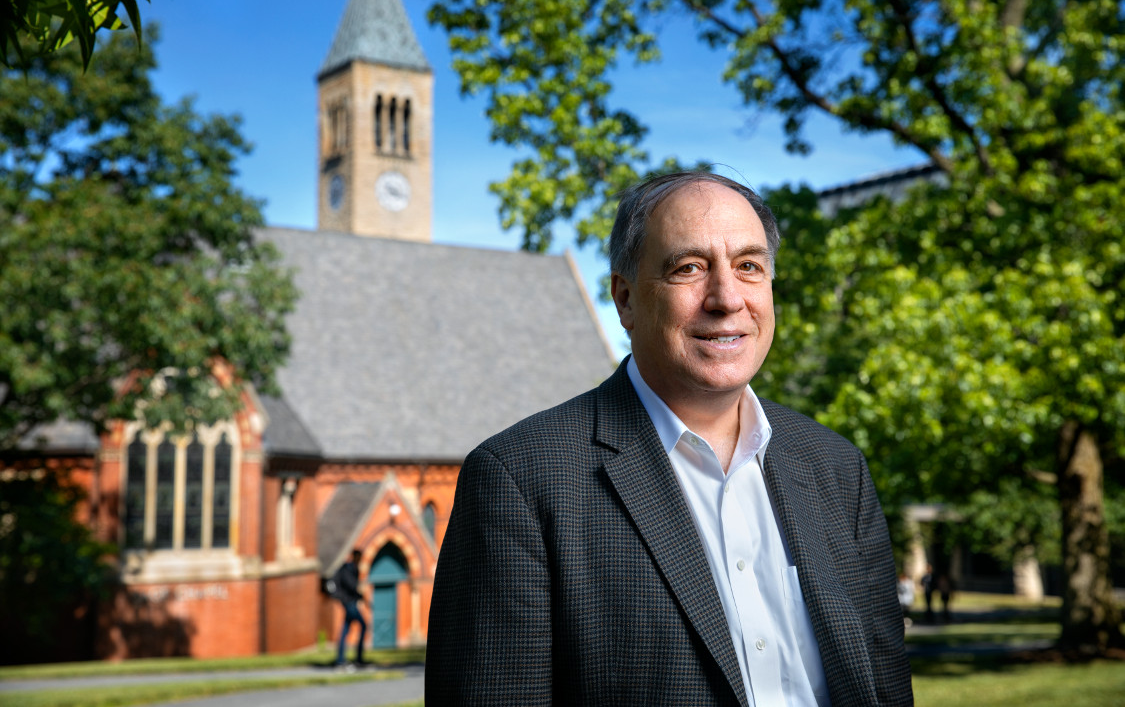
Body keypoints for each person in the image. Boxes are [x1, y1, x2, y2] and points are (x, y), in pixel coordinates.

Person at [426, 171, 913, 705]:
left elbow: (885, 687)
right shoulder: (522, 479)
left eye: (749, 266)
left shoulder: (837, 468)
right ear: (626, 298)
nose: (727, 298)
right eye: (689, 268)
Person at [333, 549, 366, 668]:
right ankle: (357, 658)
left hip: (350, 602)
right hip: (349, 603)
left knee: (345, 630)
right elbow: (351, 586)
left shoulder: (354, 569)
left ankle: (341, 659)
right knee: (363, 625)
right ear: (355, 557)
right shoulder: (348, 568)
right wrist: (360, 594)